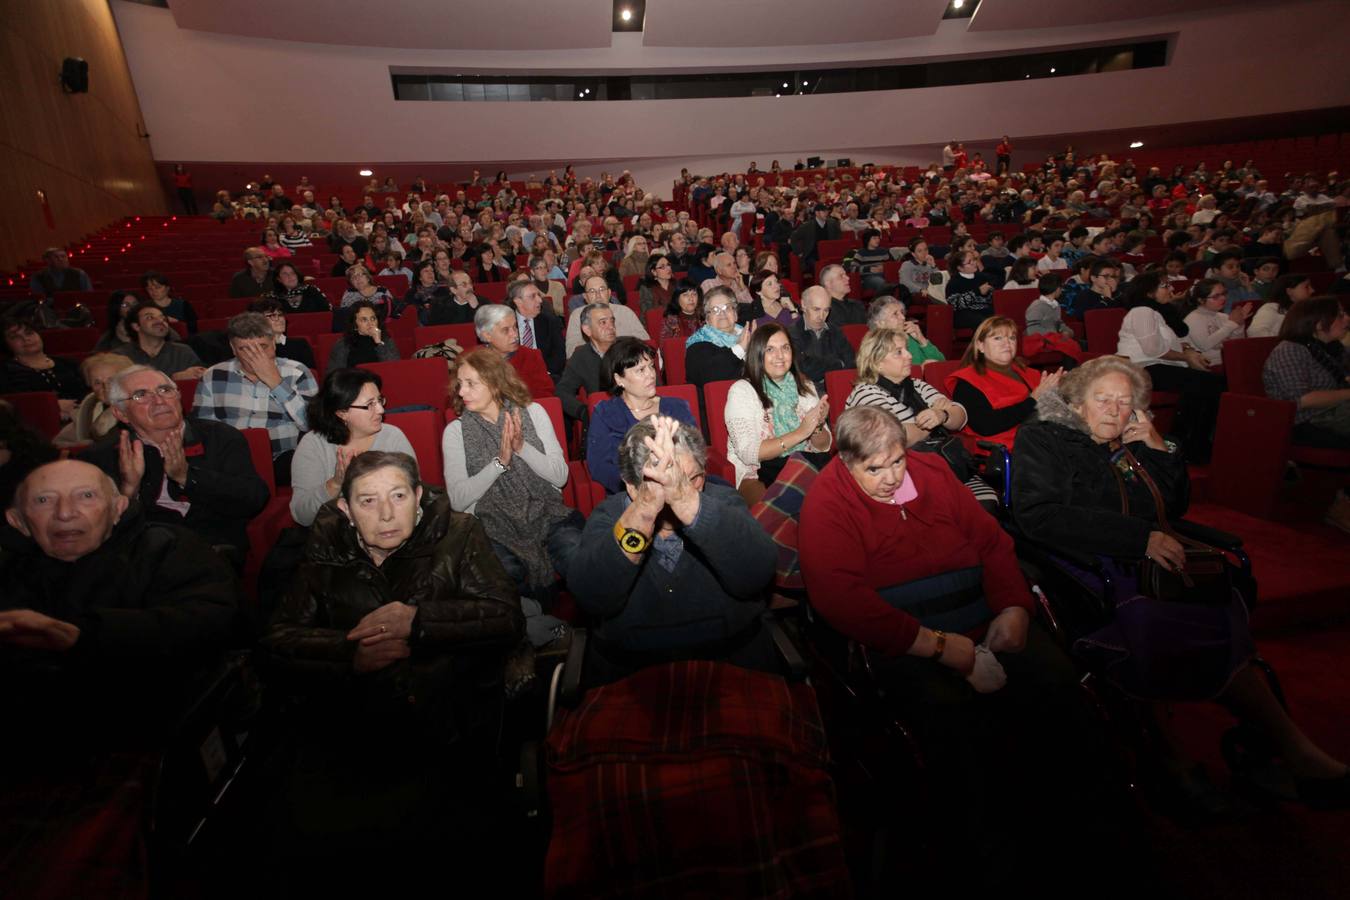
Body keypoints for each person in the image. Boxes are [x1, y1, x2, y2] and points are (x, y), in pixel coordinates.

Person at [799, 406, 1123, 885]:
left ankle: (1083, 835)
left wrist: (1014, 608)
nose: (890, 477)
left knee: (1059, 687)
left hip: (984, 617)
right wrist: (937, 646)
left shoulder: (931, 471)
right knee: (956, 724)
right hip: (907, 640)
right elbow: (839, 598)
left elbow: (992, 543)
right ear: (846, 463)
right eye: (874, 469)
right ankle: (984, 855)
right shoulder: (827, 502)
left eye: (897, 462)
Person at [1012, 357, 1350, 809]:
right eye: (1102, 399)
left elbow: (1174, 505)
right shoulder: (1043, 437)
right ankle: (1170, 757)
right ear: (1075, 402)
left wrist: (1158, 448)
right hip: (1086, 564)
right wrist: (1140, 537)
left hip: (1150, 558)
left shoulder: (1131, 443)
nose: (1114, 410)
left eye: (1124, 402)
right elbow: (1040, 516)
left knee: (1218, 604)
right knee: (1153, 621)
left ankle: (1290, 748)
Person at [257, 451, 524, 890]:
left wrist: (420, 624)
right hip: (350, 731)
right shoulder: (324, 549)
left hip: (450, 724)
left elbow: (504, 617)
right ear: (345, 509)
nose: (386, 514)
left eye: (398, 496)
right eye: (367, 501)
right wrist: (348, 654)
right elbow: (276, 641)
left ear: (418, 496)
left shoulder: (458, 534)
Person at [1, 460, 239, 894]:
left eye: (86, 497)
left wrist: (84, 638)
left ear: (118, 505)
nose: (65, 514)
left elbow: (210, 623)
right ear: (17, 521)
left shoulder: (168, 549)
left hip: (143, 738)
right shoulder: (10, 572)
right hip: (29, 751)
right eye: (43, 501)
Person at [567, 416, 779, 684]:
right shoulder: (609, 517)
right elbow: (592, 596)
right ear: (631, 487)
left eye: (691, 478)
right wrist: (644, 511)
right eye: (659, 481)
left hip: (730, 665)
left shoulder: (723, 501)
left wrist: (685, 499)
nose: (674, 489)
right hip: (634, 678)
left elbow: (758, 573)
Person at [442, 348, 581, 643]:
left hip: (546, 511)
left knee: (573, 551)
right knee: (505, 571)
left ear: (494, 383)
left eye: (470, 383)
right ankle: (534, 631)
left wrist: (521, 449)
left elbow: (560, 476)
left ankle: (593, 627)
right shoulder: (455, 431)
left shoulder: (533, 413)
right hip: (493, 522)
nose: (461, 391)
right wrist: (499, 463)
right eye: (460, 383)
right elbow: (457, 499)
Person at [79, 365, 268, 562]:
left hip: (211, 549)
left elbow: (253, 499)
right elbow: (93, 529)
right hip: (136, 555)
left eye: (165, 390)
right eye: (141, 394)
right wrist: (129, 491)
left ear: (178, 396)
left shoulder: (219, 437)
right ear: (121, 414)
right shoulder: (101, 456)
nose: (159, 401)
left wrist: (187, 477)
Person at [846, 328, 995, 505]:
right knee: (953, 510)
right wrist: (931, 422)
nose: (909, 356)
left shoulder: (917, 385)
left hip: (944, 463)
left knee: (987, 501)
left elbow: (960, 416)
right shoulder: (866, 392)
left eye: (906, 349)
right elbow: (893, 437)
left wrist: (942, 415)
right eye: (899, 352)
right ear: (877, 363)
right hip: (900, 476)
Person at [193, 312, 318, 484]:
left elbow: (312, 424)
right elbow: (203, 428)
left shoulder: (298, 372)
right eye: (245, 349)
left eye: (263, 346)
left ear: (274, 342)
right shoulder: (213, 375)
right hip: (232, 461)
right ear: (232, 348)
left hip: (283, 458)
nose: (255, 355)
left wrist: (276, 382)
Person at [1116, 272, 1223, 462]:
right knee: (1210, 384)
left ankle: (1187, 442)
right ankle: (1188, 443)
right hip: (1142, 369)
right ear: (1149, 292)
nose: (1171, 289)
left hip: (1160, 365)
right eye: (1165, 286)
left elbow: (1174, 342)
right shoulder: (1142, 311)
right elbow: (1152, 350)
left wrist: (1188, 351)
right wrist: (1186, 356)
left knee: (1208, 385)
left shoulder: (1160, 312)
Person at [290, 369, 415, 528]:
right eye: (370, 404)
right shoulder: (313, 445)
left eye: (379, 400)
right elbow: (302, 515)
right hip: (336, 538)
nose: (381, 410)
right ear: (342, 413)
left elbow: (413, 496)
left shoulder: (393, 437)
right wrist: (335, 483)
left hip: (392, 527)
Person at [725, 323, 832, 502]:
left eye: (785, 348)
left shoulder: (805, 387)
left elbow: (824, 446)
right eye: (770, 350)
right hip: (757, 473)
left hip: (805, 463)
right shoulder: (742, 391)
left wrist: (818, 425)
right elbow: (749, 452)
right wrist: (801, 433)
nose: (780, 356)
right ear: (757, 354)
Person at [586, 338, 696, 494]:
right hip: (631, 493)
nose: (651, 375)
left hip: (680, 488)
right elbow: (599, 466)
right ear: (619, 379)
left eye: (651, 366)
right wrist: (639, 486)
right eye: (641, 370)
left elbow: (694, 453)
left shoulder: (676, 408)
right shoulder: (606, 413)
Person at [945, 316, 1062, 451]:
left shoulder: (1030, 373)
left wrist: (1059, 392)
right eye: (997, 338)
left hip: (1042, 440)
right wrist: (1033, 400)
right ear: (980, 346)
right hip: (1008, 450)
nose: (1007, 343)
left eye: (1012, 338)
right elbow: (986, 426)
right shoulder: (967, 381)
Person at [0, 318, 87, 419]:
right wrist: (50, 406)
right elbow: (12, 405)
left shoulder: (69, 363)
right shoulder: (5, 372)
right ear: (6, 344)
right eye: (15, 337)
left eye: (29, 333)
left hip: (81, 417)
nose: (26, 339)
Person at [54, 352, 133, 446]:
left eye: (111, 380)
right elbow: (58, 444)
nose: (105, 387)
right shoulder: (88, 411)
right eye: (97, 383)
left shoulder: (140, 407)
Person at [789, 286, 856, 393]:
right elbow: (805, 370)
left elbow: (851, 361)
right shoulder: (792, 333)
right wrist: (838, 363)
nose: (821, 316)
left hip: (838, 388)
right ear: (803, 305)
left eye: (826, 310)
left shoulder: (835, 331)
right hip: (807, 392)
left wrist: (820, 364)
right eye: (816, 309)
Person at [115, 302, 206, 380]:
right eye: (150, 317)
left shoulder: (183, 352)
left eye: (163, 318)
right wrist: (173, 378)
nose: (160, 321)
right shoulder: (121, 356)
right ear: (136, 326)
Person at [685, 285, 753, 390]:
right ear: (707, 319)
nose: (722, 313)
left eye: (727, 307)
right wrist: (740, 348)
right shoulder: (697, 345)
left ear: (735, 314)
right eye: (715, 309)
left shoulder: (749, 336)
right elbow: (710, 377)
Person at [564, 276, 649, 356]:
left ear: (609, 293)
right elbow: (571, 350)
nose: (598, 295)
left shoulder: (625, 312)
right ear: (585, 297)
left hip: (626, 360)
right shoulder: (577, 316)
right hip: (593, 363)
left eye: (602, 289)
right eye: (592, 291)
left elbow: (644, 340)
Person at [1182, 278, 1250, 366]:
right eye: (1216, 296)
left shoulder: (1223, 316)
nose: (1223, 298)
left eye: (1224, 294)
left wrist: (1239, 324)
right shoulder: (1193, 319)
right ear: (1201, 300)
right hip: (1208, 367)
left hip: (1228, 363)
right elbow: (1205, 345)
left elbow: (1236, 344)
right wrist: (1232, 324)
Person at [508, 279, 565, 383]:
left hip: (545, 375)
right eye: (532, 296)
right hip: (513, 379)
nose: (540, 300)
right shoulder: (506, 325)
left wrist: (544, 373)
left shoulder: (550, 321)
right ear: (518, 301)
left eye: (538, 295)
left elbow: (559, 355)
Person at [1023, 273, 1086, 364]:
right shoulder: (1037, 306)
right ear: (1056, 289)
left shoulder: (1055, 305)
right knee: (1070, 347)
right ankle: (1069, 373)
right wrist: (1055, 335)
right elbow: (1032, 329)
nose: (1062, 290)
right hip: (1040, 341)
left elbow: (1059, 323)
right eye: (1061, 287)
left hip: (1053, 339)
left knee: (1082, 344)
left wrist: (1066, 331)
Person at [326, 299, 399, 372]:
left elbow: (394, 369)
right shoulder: (343, 343)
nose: (370, 323)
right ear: (354, 324)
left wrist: (379, 343)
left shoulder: (385, 340)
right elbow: (334, 374)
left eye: (373, 318)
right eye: (364, 320)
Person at [867, 295, 942, 364]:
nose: (903, 317)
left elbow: (941, 363)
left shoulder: (911, 337)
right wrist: (919, 371)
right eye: (895, 314)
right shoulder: (876, 346)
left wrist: (922, 340)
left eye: (902, 313)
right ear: (880, 323)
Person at [248, 298, 316, 370]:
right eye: (272, 315)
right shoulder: (251, 347)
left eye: (280, 314)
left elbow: (310, 375)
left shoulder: (300, 345)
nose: (280, 319)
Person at [1248, 273, 1314, 338]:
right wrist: (1284, 340)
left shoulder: (1307, 309)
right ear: (1289, 291)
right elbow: (1255, 333)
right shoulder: (1271, 308)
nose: (1312, 290)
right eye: (1306, 287)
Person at [945, 250, 997, 330]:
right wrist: (978, 291)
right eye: (969, 262)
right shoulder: (954, 282)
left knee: (1000, 318)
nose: (974, 263)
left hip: (984, 310)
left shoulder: (982, 277)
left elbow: (991, 299)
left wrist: (990, 292)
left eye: (974, 259)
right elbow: (955, 305)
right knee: (983, 321)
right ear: (960, 268)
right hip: (965, 314)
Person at [335, 265, 395, 330]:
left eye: (360, 275)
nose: (357, 279)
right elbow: (344, 316)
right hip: (357, 329)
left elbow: (391, 312)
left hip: (380, 327)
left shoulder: (382, 291)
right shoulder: (349, 293)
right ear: (351, 283)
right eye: (353, 278)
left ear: (368, 277)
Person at [265, 260, 331, 313]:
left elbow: (328, 311)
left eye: (293, 273)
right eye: (285, 274)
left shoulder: (312, 290)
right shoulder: (272, 297)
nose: (290, 276)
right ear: (278, 279)